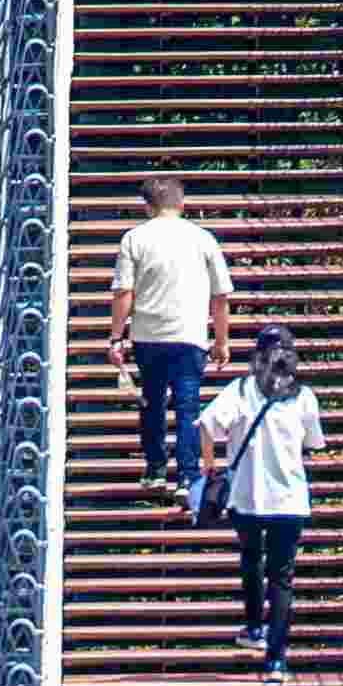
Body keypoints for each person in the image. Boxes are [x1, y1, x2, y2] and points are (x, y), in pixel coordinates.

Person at [201, 321, 330, 681]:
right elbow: (314, 443)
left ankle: (255, 628)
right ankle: (276, 661)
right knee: (283, 578)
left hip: (247, 497)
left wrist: (211, 471)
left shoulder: (241, 390)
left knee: (251, 559)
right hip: (289, 501)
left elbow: (206, 425)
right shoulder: (303, 396)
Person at [107, 170, 238, 505]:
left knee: (151, 403)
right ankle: (187, 476)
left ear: (147, 206)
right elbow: (221, 296)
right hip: (189, 336)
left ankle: (154, 469)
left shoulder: (134, 239)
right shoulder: (203, 238)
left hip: (148, 337)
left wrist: (116, 338)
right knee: (187, 406)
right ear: (182, 203)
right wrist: (221, 341)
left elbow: (124, 292)